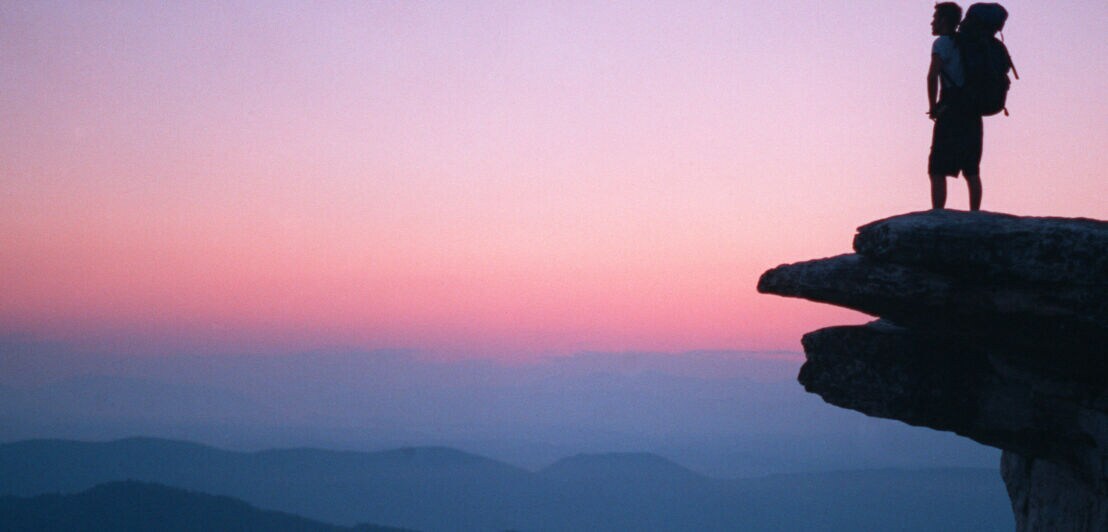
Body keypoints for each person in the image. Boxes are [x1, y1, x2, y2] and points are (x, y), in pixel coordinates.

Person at [927, 2, 983, 211]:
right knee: (972, 170)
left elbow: (932, 75)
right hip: (972, 110)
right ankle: (975, 215)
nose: (932, 22)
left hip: (951, 110)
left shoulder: (942, 43)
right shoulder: (969, 44)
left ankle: (938, 215)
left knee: (937, 168)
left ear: (944, 20)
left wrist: (933, 107)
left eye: (935, 17)